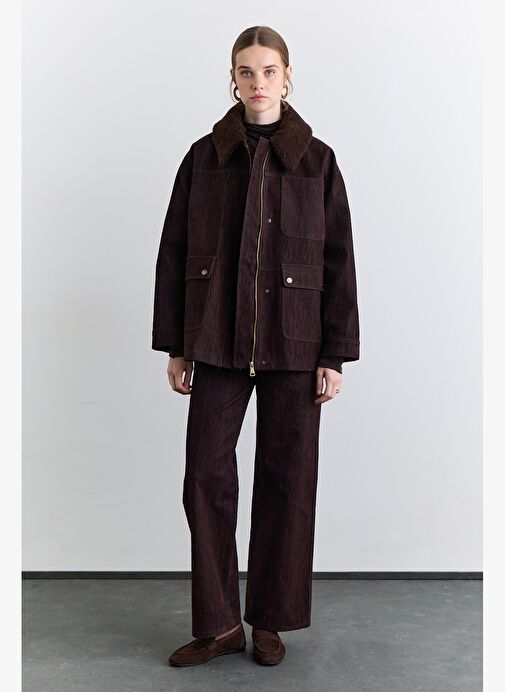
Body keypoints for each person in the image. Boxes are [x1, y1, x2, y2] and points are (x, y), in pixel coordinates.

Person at [152, 25, 360, 667]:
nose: (258, 82)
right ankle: (219, 624)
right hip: (215, 340)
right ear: (233, 80)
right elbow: (174, 251)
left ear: (287, 78)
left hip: (295, 343)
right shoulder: (204, 158)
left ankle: (269, 619)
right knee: (205, 476)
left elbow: (339, 261)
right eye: (246, 71)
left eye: (269, 71)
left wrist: (333, 354)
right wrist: (175, 345)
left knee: (287, 480)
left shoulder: (317, 161)